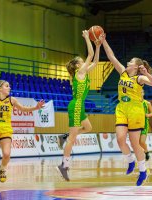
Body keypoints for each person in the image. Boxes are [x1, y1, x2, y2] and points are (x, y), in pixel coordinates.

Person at [102, 35, 152, 186]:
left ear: (136, 66)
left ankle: (143, 171)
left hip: (135, 111)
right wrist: (103, 41)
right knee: (120, 139)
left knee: (135, 144)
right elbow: (111, 56)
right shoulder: (123, 72)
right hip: (121, 108)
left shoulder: (139, 79)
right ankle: (130, 160)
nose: (127, 63)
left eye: (130, 62)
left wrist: (146, 74)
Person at [0, 80, 44, 187]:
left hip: (6, 129)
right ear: (0, 89)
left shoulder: (12, 100)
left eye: (9, 86)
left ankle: (2, 169)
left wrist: (36, 107)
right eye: (7, 86)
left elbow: (24, 109)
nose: (9, 87)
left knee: (6, 154)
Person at [56, 30, 102, 181]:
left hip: (79, 106)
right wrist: (87, 38)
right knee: (73, 138)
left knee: (88, 128)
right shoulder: (79, 73)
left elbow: (95, 61)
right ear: (77, 65)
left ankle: (65, 136)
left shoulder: (84, 72)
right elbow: (90, 56)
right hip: (76, 105)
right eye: (81, 61)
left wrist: (98, 46)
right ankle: (64, 165)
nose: (84, 62)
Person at [139, 90, 152, 161]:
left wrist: (147, 115)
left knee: (142, 141)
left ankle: (146, 152)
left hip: (144, 124)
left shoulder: (147, 103)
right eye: (138, 92)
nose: (140, 94)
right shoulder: (134, 103)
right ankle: (141, 154)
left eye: (141, 92)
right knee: (137, 142)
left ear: (143, 93)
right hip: (135, 124)